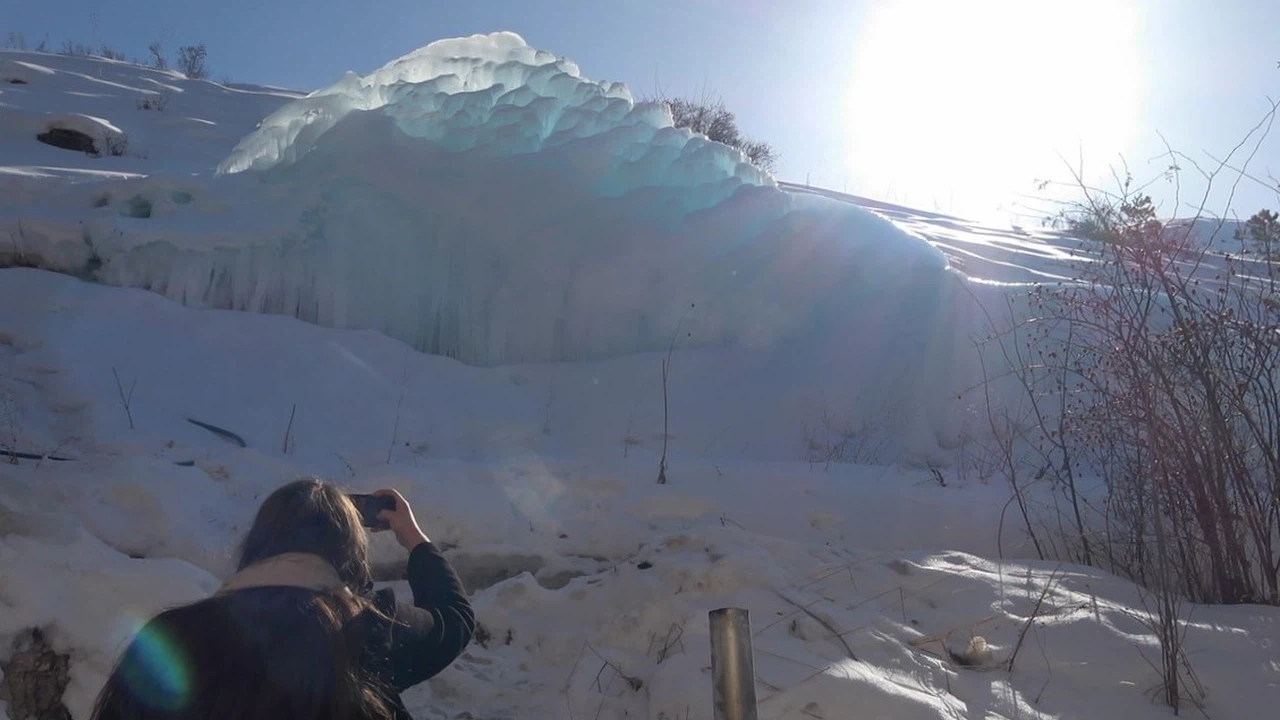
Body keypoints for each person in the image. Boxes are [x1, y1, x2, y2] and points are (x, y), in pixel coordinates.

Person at [91, 478, 474, 720]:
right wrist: (414, 537)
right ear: (349, 555)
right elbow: (453, 619)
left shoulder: (171, 635)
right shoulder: (368, 628)